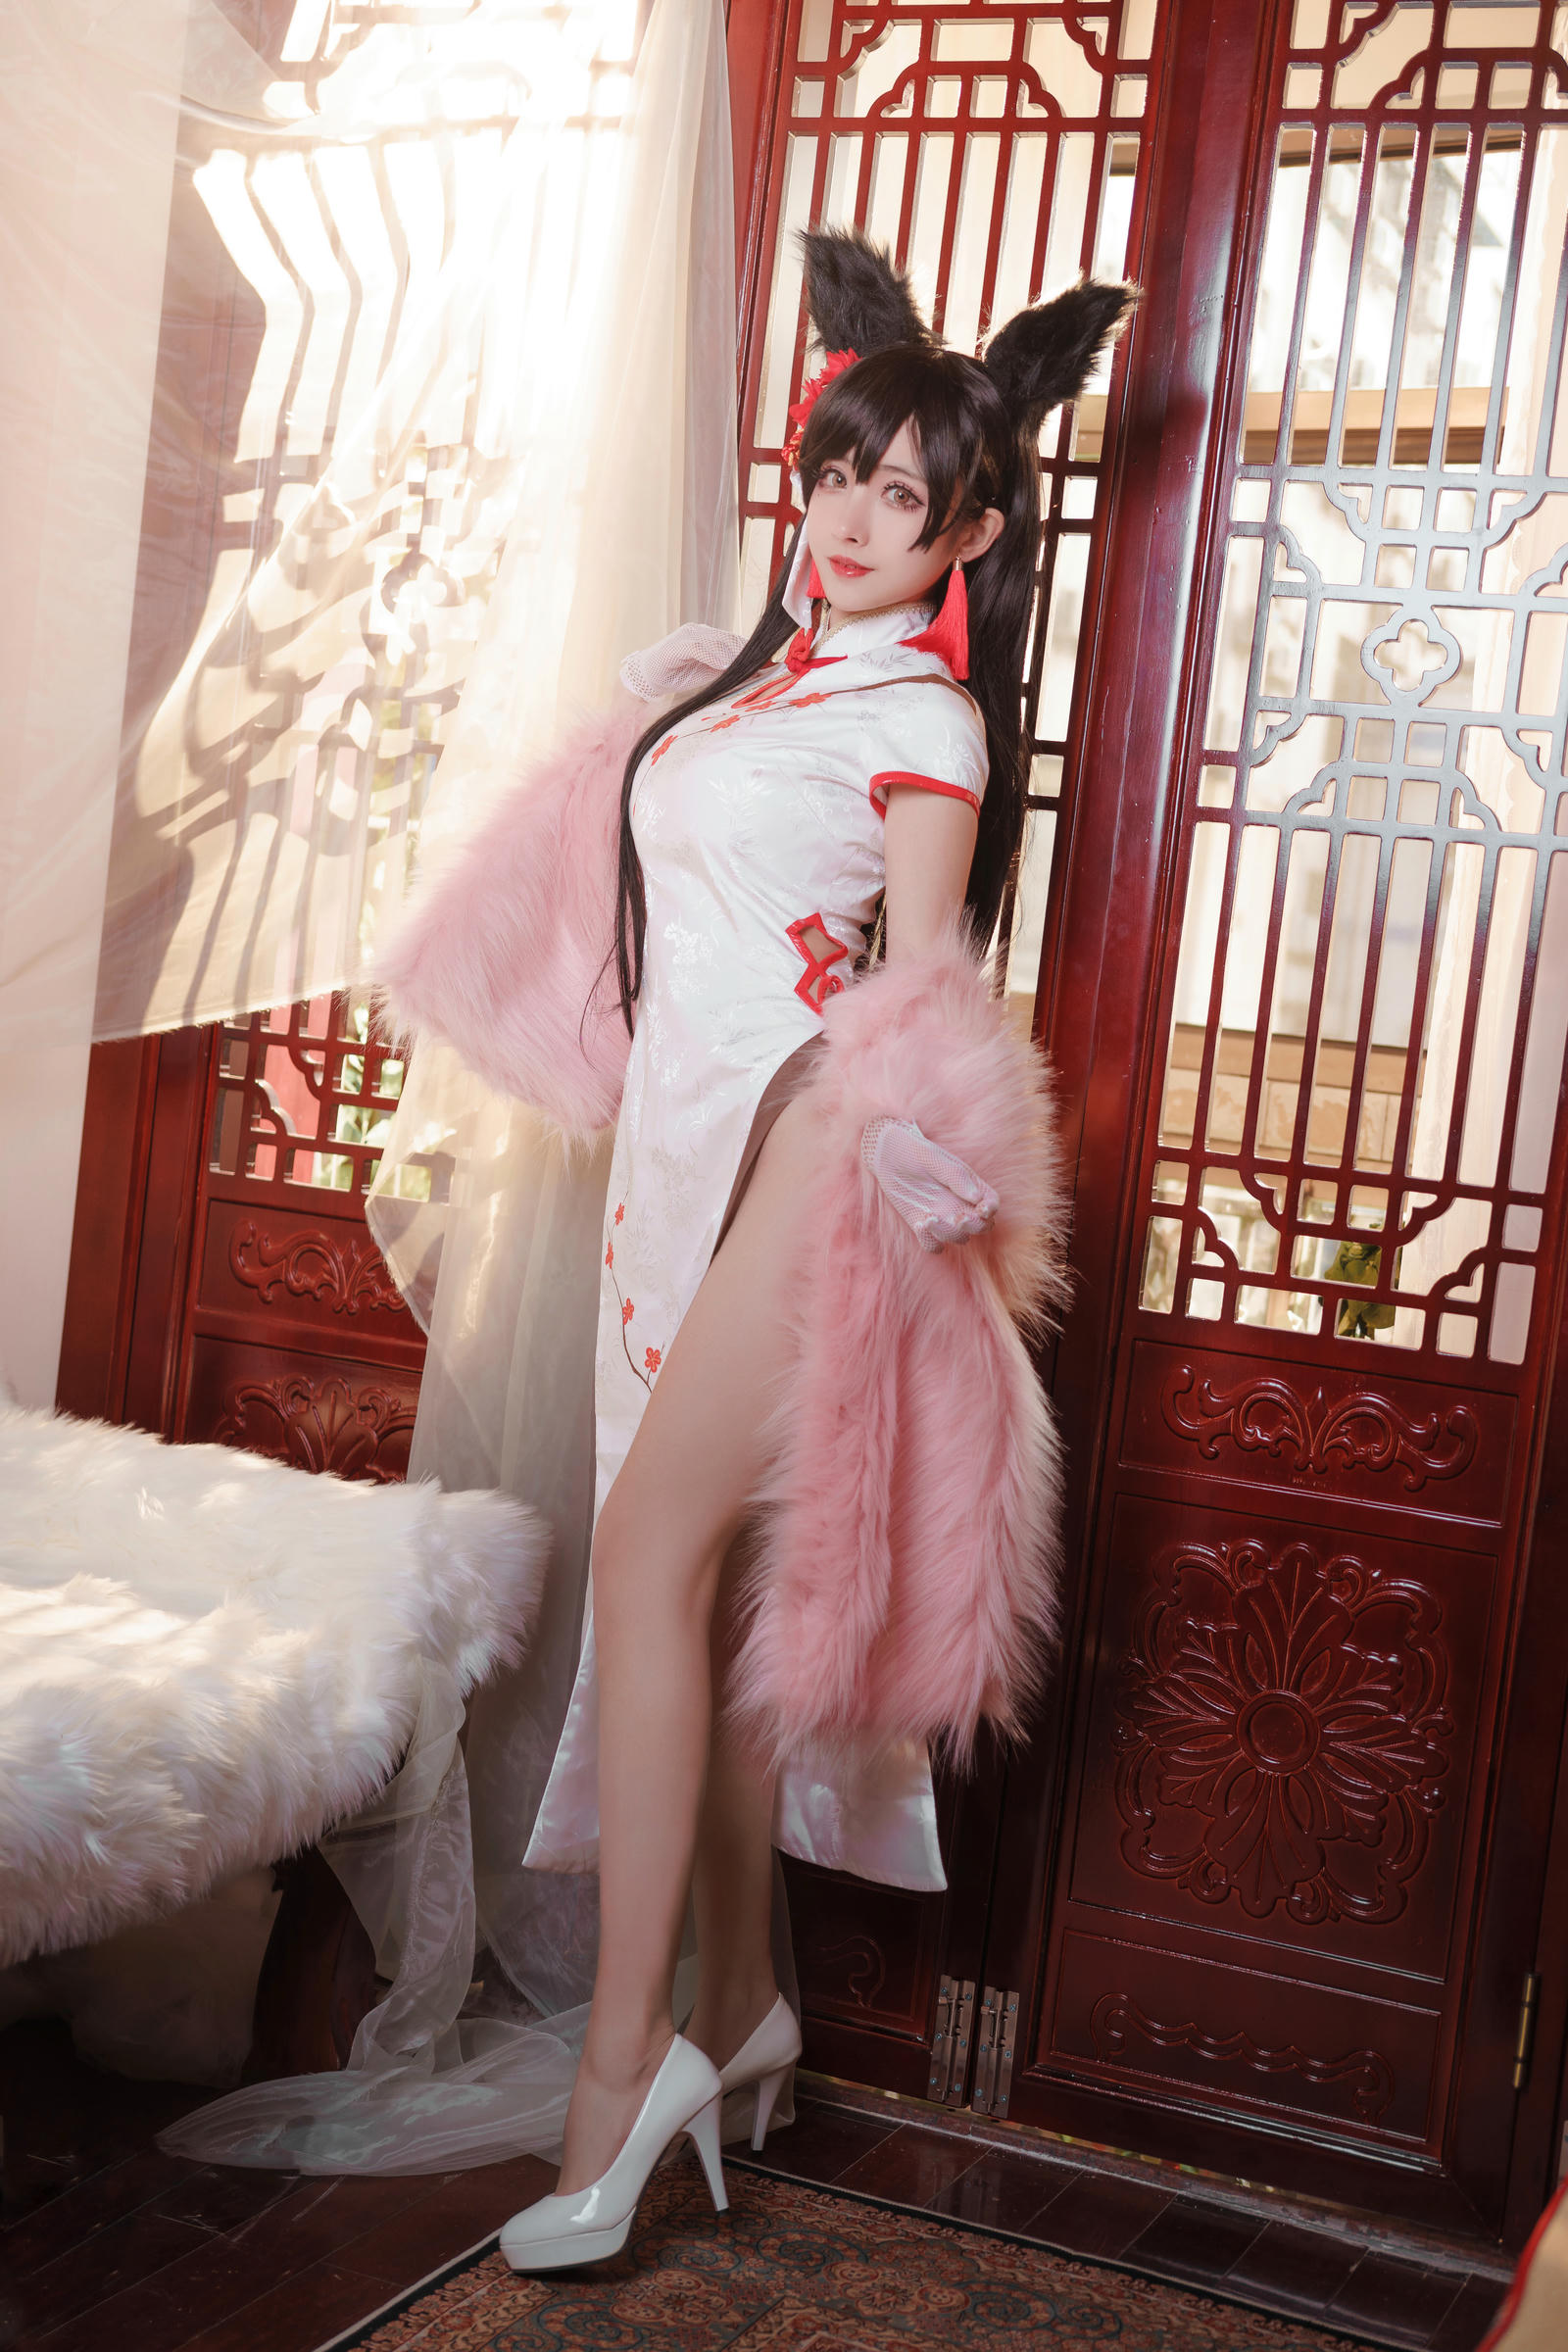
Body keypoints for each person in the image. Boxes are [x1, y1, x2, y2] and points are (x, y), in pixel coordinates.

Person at [377, 228, 1134, 2269]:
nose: (855, 518)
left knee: (641, 1555)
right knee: (692, 1592)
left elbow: (923, 980)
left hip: (807, 1143)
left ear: (968, 536)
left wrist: (924, 1154)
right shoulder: (755, 680)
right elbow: (654, 912)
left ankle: (622, 2070)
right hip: (677, 1152)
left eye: (906, 496)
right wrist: (648, 736)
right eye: (839, 473)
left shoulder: (927, 721)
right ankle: (746, 2004)